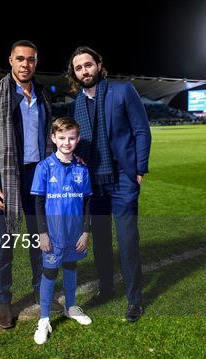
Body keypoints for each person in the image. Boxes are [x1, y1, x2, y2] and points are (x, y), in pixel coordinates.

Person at [0, 40, 59, 329]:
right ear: (10, 60)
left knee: (41, 240)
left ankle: (40, 291)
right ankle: (3, 300)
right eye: (20, 58)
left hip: (38, 177)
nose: (25, 64)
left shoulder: (44, 93)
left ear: (37, 61)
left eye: (31, 59)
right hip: (5, 180)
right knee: (4, 244)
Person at [67, 46, 152, 322]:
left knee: (128, 241)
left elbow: (141, 130)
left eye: (88, 65)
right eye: (79, 68)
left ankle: (134, 300)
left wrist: (138, 171)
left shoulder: (123, 90)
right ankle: (106, 289)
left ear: (99, 65)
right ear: (75, 73)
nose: (84, 71)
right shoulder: (76, 103)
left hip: (122, 179)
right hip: (94, 183)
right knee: (101, 241)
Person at [30, 117, 92, 344]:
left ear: (78, 139)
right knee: (49, 272)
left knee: (71, 266)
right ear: (53, 138)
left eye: (71, 138)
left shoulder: (82, 168)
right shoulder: (44, 167)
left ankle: (71, 306)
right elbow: (38, 203)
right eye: (62, 138)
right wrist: (42, 233)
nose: (67, 142)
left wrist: (86, 231)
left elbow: (87, 202)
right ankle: (44, 318)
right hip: (53, 233)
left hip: (75, 232)